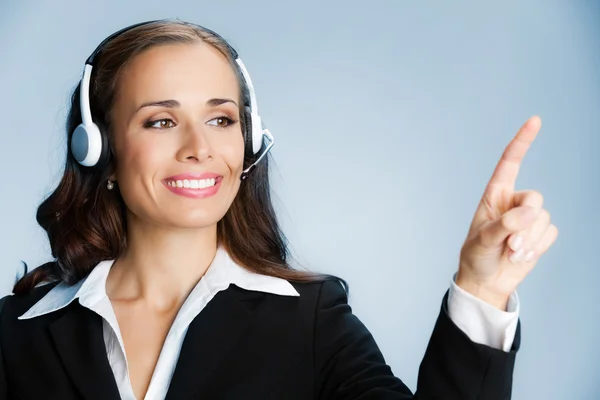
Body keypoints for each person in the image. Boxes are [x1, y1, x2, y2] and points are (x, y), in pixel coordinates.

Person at [0, 18, 558, 400]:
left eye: (221, 119)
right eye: (161, 121)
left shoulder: (311, 321)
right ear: (99, 149)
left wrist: (482, 289)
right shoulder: (14, 336)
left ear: (251, 141)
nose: (201, 147)